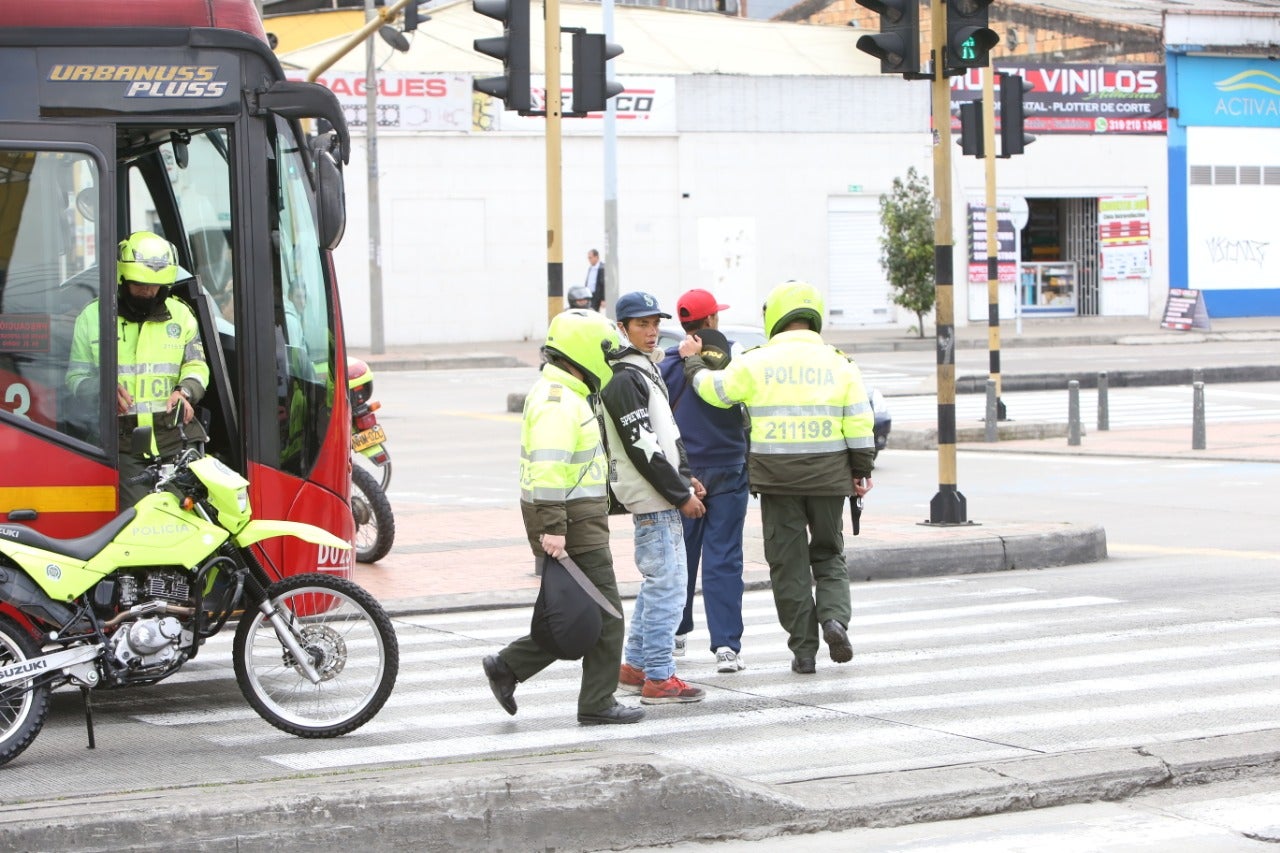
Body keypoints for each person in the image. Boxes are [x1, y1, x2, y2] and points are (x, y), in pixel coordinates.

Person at [678, 281, 875, 675]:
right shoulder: (841, 362)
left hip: (777, 481)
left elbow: (716, 392)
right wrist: (861, 469)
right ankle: (834, 618)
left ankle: (804, 651)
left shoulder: (757, 360)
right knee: (829, 554)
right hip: (828, 478)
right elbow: (858, 421)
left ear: (776, 317)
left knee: (788, 564)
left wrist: (694, 364)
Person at [482, 309, 645, 726]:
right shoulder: (558, 402)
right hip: (571, 527)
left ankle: (507, 666)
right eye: (605, 352)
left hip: (574, 522)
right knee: (606, 616)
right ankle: (597, 703)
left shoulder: (565, 394)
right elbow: (549, 468)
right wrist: (554, 529)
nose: (608, 362)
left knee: (575, 614)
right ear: (584, 351)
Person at [600, 291, 707, 706]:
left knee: (659, 585)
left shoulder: (642, 371)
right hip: (654, 500)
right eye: (641, 324)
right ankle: (659, 677)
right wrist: (680, 494)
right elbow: (643, 449)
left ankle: (635, 667)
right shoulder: (626, 378)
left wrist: (686, 478)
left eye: (655, 323)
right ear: (622, 328)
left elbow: (663, 438)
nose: (651, 331)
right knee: (669, 587)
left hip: (659, 495)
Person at [67, 230, 209, 506]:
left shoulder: (181, 316)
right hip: (122, 442)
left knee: (188, 520)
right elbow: (75, 379)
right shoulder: (92, 317)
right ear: (122, 279)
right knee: (142, 521)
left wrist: (186, 392)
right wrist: (102, 391)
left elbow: (196, 365)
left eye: (156, 286)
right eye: (140, 285)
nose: (148, 292)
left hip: (174, 435)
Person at [659, 288, 750, 673]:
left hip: (686, 474)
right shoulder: (732, 360)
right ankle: (726, 647)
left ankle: (677, 633)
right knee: (724, 556)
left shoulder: (667, 365)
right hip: (729, 468)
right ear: (711, 321)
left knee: (682, 556)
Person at [584, 249, 606, 314]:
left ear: (596, 257)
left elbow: (604, 284)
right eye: (588, 258)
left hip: (597, 296)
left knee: (594, 313)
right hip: (589, 295)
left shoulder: (602, 268)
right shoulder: (590, 268)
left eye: (590, 258)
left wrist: (603, 299)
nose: (589, 260)